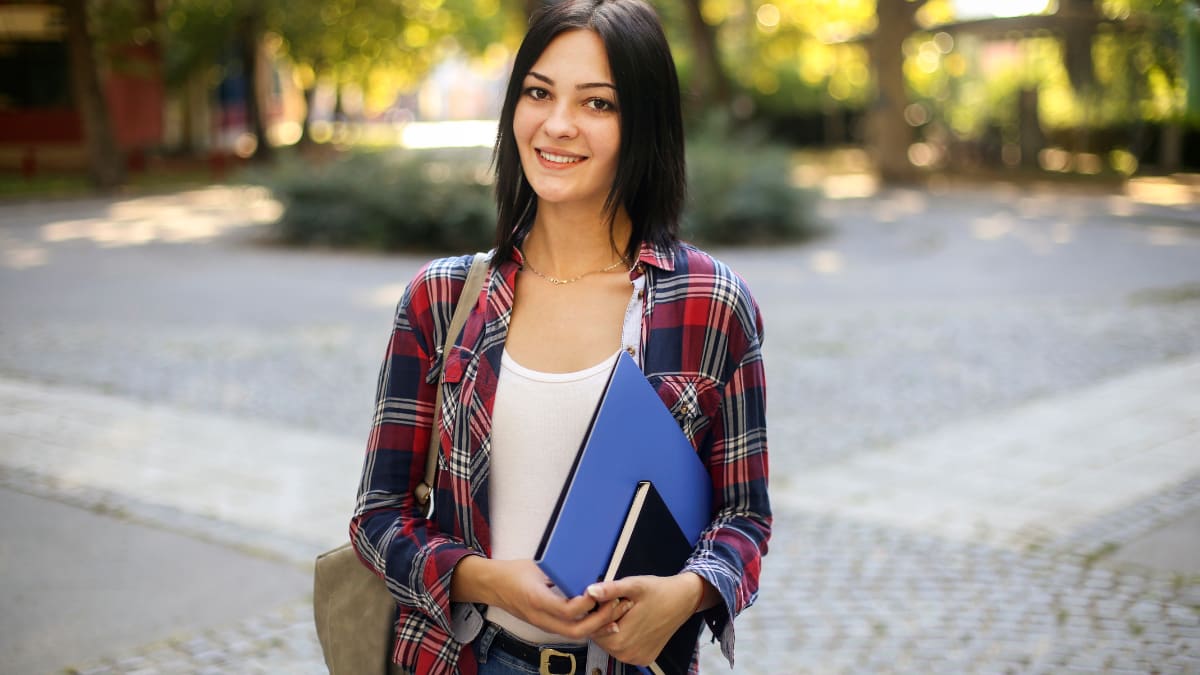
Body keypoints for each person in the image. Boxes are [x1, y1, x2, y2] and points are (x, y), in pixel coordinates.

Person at [350, 0, 771, 673]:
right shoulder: (441, 299)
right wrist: (480, 577)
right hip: (464, 655)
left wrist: (686, 594)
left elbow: (745, 518)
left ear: (645, 123)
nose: (557, 124)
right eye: (538, 93)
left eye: (597, 104)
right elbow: (377, 517)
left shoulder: (712, 304)